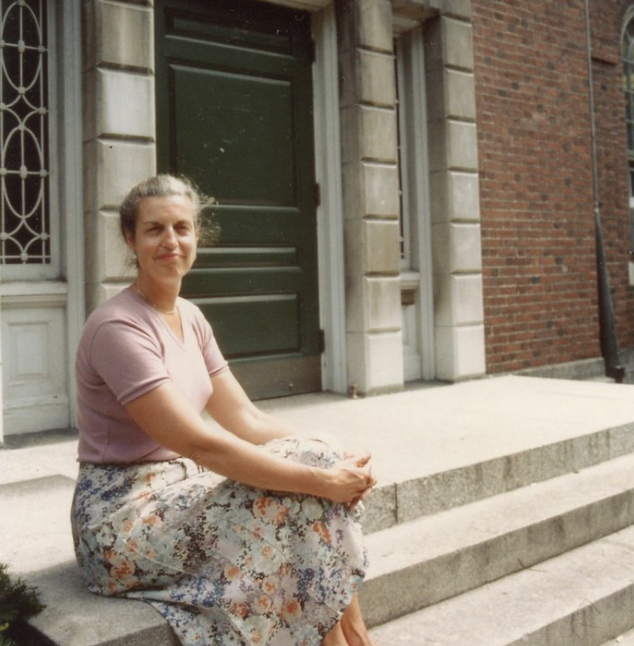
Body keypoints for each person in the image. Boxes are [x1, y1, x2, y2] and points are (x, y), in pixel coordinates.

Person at [70, 174, 378, 646]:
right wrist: (322, 480)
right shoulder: (117, 327)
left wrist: (332, 455)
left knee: (318, 453)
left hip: (178, 494)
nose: (170, 241)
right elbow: (197, 442)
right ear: (130, 238)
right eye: (154, 229)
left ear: (197, 235)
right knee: (307, 485)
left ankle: (346, 637)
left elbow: (247, 420)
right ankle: (351, 639)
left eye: (181, 227)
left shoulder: (191, 317)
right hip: (121, 520)